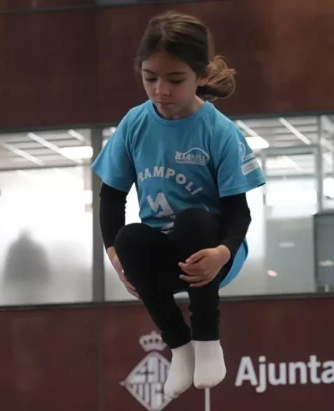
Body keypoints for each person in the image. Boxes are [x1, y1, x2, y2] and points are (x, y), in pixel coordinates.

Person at [90, 10, 265, 398]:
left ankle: (207, 340)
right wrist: (115, 256)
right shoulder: (135, 124)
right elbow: (111, 197)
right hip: (165, 258)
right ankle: (179, 345)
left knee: (192, 221)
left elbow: (240, 211)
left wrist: (222, 252)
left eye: (175, 80)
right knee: (130, 237)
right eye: (150, 78)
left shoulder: (218, 131)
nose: (160, 91)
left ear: (200, 76)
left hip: (213, 254)